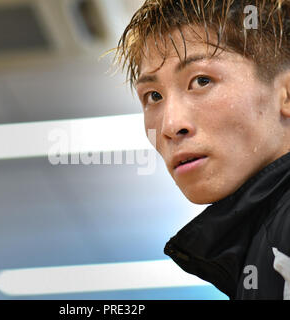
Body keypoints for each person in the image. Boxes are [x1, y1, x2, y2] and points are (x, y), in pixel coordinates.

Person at [113, 0, 290, 299]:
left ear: (286, 95)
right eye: (153, 96)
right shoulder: (265, 242)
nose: (170, 125)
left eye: (202, 80)